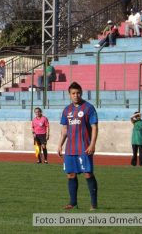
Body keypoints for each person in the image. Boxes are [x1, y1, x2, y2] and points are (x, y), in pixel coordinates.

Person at [57, 82, 99, 211]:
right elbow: (64, 129)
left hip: (84, 147)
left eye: (78, 93)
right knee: (70, 175)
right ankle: (73, 202)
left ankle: (93, 204)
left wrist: (92, 144)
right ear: (69, 95)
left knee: (88, 174)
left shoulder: (89, 108)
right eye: (73, 93)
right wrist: (60, 145)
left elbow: (94, 127)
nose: (76, 95)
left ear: (81, 93)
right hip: (70, 149)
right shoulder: (66, 110)